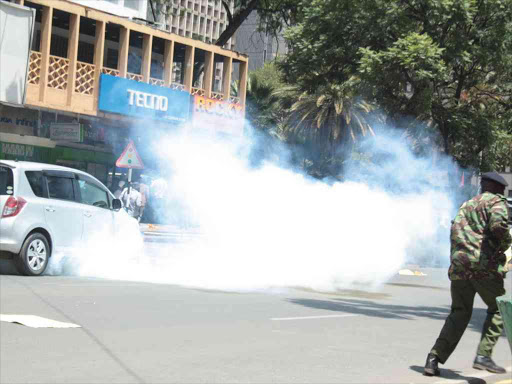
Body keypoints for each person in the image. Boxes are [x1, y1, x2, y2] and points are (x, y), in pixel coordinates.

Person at [424, 172, 512, 376]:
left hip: (459, 267)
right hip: (484, 268)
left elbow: (454, 231)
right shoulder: (496, 202)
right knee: (499, 307)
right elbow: (499, 227)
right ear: (498, 188)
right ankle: (483, 355)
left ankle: (434, 358)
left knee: (459, 313)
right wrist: (505, 246)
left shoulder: (467, 205)